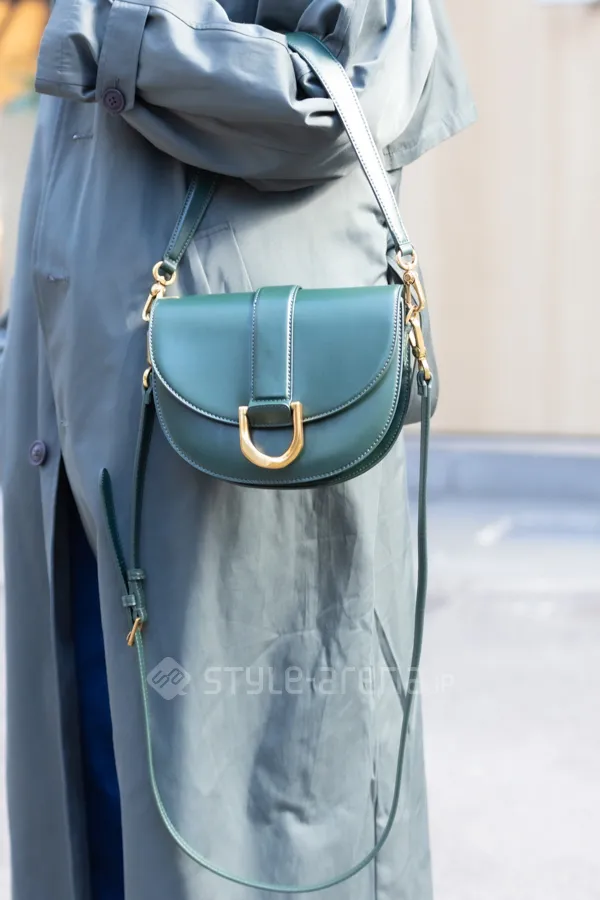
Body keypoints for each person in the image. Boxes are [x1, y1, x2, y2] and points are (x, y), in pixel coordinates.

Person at [0, 2, 475, 899]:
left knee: (248, 818)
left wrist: (117, 25)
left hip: (230, 429)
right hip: (77, 425)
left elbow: (339, 96)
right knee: (97, 795)